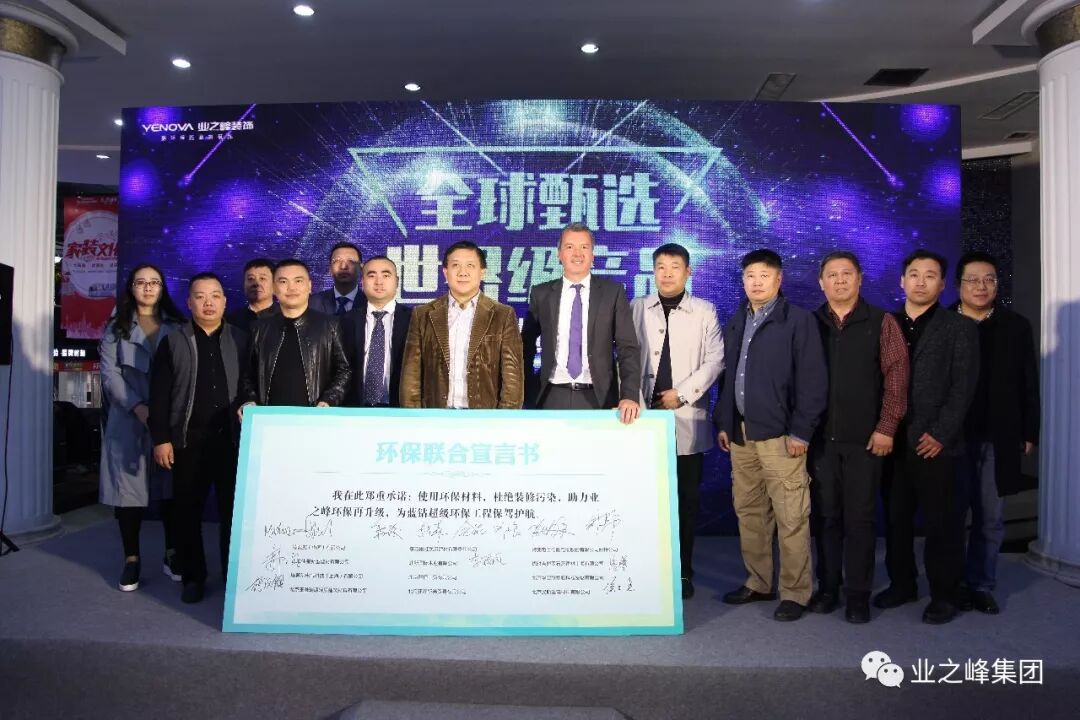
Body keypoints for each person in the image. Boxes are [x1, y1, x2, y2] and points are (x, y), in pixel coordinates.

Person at [713, 249, 827, 622]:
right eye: (750, 276)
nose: (757, 282)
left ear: (779, 280)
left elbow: (813, 382)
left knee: (791, 516)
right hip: (742, 434)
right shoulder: (737, 320)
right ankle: (759, 582)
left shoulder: (798, 320)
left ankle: (795, 592)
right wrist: (725, 422)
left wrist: (801, 432)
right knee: (749, 512)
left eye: (764, 275)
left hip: (782, 436)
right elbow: (728, 377)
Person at [874, 249, 978, 625]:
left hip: (936, 443)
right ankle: (903, 584)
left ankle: (944, 594)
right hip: (892, 440)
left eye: (930, 275)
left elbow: (963, 387)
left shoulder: (959, 327)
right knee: (896, 519)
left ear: (943, 284)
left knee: (942, 524)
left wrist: (940, 433)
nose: (921, 281)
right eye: (914, 274)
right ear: (902, 281)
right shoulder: (884, 323)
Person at [809, 251, 909, 623]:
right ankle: (828, 588)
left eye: (846, 274)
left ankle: (858, 596)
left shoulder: (882, 322)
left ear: (859, 279)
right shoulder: (810, 323)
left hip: (866, 441)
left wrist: (886, 428)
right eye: (832, 275)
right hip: (820, 441)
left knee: (860, 520)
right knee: (826, 518)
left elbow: (897, 378)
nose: (839, 280)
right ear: (821, 282)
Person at [630, 243, 723, 599]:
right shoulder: (637, 307)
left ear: (688, 272)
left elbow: (715, 361)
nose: (667, 273)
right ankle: (646, 568)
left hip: (685, 416)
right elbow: (624, 356)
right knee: (644, 499)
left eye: (675, 266)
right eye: (660, 267)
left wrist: (681, 394)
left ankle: (683, 571)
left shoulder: (705, 311)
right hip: (643, 418)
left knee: (685, 500)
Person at [150, 273, 246, 604]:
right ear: (189, 302)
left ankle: (233, 577)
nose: (208, 303)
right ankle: (193, 577)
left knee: (233, 513)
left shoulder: (240, 338)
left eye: (215, 296)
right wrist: (161, 439)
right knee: (187, 511)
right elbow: (159, 394)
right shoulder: (173, 341)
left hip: (232, 440)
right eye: (200, 296)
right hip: (187, 440)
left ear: (225, 302)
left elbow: (249, 386)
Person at [952, 251, 1039, 615]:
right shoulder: (943, 323)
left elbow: (1028, 382)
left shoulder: (1015, 326)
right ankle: (952, 584)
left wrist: (1029, 430)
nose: (981, 286)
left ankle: (981, 584)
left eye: (989, 279)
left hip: (998, 435)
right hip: (951, 438)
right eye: (973, 280)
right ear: (958, 285)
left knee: (990, 516)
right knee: (952, 515)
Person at [99, 263, 185, 592]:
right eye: (141, 282)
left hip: (167, 419)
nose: (148, 288)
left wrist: (162, 412)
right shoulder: (115, 327)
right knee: (128, 494)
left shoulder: (177, 325)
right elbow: (110, 375)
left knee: (170, 490)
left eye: (154, 282)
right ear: (131, 288)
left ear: (162, 288)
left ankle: (171, 552)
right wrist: (137, 407)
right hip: (127, 417)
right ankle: (132, 558)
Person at [521, 222, 641, 423]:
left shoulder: (612, 293)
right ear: (559, 254)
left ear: (593, 254)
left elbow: (627, 348)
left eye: (584, 247)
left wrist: (629, 395)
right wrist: (523, 392)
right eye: (570, 247)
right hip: (551, 396)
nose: (577, 253)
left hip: (598, 397)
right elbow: (526, 346)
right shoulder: (541, 293)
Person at [400, 242, 523, 409]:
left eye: (470, 265)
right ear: (445, 272)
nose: (462, 272)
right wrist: (414, 417)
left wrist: (502, 419)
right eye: (455, 265)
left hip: (484, 416)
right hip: (435, 415)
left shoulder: (503, 315)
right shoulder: (423, 315)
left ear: (482, 272)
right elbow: (411, 376)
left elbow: (512, 378)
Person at [239, 259, 351, 410]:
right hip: (269, 417)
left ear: (310, 286)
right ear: (274, 288)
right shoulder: (259, 328)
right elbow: (248, 375)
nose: (291, 288)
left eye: (298, 281)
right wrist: (250, 399)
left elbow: (344, 370)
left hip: (315, 415)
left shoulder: (330, 325)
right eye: (283, 281)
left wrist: (328, 400)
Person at [341, 257, 413, 407]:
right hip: (354, 409)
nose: (379, 282)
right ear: (362, 282)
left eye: (386, 275)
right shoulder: (344, 321)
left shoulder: (414, 320)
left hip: (400, 409)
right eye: (372, 275)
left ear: (397, 281)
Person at [226, 258, 279, 333]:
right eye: (250, 279)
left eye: (262, 278)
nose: (256, 284)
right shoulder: (231, 321)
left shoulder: (288, 318)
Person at [310, 242, 362, 316]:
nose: (343, 266)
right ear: (330, 269)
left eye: (351, 261)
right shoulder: (313, 302)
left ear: (360, 268)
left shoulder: (370, 302)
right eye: (337, 261)